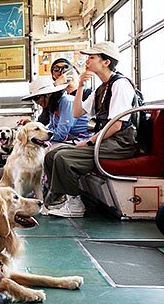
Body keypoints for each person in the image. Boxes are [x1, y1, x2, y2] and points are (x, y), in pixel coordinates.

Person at [44, 41, 138, 217]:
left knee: (64, 157)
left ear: (106, 62)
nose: (87, 61)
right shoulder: (101, 88)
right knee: (51, 155)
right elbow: (77, 112)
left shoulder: (120, 85)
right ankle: (60, 199)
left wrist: (88, 142)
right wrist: (80, 86)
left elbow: (116, 125)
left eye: (92, 57)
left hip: (120, 143)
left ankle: (75, 204)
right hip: (105, 140)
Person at [20, 76, 91, 143]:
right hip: (70, 139)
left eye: (36, 98)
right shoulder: (53, 105)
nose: (36, 102)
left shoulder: (67, 102)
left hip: (83, 139)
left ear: (48, 94)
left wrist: (40, 135)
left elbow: (61, 134)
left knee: (50, 154)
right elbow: (51, 128)